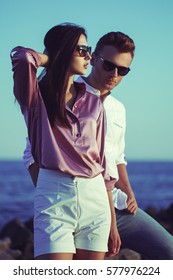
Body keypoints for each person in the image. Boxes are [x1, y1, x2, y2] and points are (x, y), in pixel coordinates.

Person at [24, 30, 173, 260]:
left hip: (115, 205)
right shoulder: (63, 92)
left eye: (122, 70)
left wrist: (129, 191)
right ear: (93, 58)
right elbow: (32, 154)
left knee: (168, 251)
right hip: (69, 202)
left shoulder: (118, 109)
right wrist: (56, 199)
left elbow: (117, 158)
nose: (114, 74)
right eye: (108, 65)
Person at [10, 23, 118, 260]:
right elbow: (23, 57)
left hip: (95, 196)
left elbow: (101, 160)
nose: (89, 56)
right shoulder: (35, 96)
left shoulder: (94, 100)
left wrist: (112, 221)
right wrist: (53, 59)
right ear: (63, 50)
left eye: (88, 49)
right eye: (81, 50)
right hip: (54, 194)